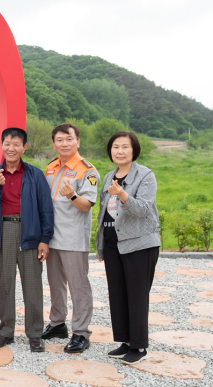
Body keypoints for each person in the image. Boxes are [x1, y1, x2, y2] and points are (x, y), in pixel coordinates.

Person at [0, 127, 54, 353]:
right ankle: (6, 331)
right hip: (3, 230)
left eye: (16, 144)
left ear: (24, 147)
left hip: (29, 231)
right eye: (7, 143)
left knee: (32, 285)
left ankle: (35, 333)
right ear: (1, 145)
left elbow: (46, 208)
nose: (11, 148)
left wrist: (45, 238)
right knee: (5, 284)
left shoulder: (35, 174)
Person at [96, 131, 160, 365]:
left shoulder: (145, 175)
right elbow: (103, 214)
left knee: (136, 295)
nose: (120, 151)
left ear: (134, 150)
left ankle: (139, 346)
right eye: (115, 147)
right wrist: (102, 244)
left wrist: (122, 194)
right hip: (114, 244)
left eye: (125, 147)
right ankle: (125, 341)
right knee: (118, 295)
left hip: (140, 244)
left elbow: (143, 209)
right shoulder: (108, 176)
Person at [43, 123, 99, 353]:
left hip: (73, 238)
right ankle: (57, 323)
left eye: (69, 139)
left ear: (78, 141)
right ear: (54, 143)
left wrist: (73, 195)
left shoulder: (88, 170)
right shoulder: (50, 167)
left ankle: (81, 332)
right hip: (51, 236)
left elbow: (85, 205)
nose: (64, 144)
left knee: (78, 286)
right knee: (56, 285)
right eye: (59, 140)